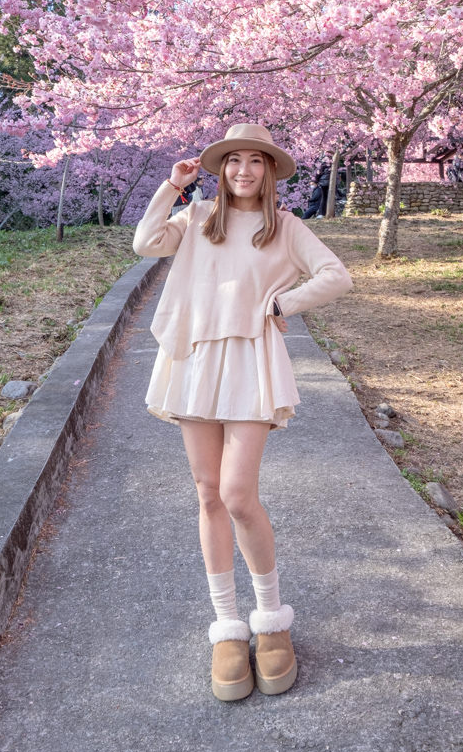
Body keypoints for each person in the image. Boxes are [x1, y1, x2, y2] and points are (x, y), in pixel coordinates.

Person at [133, 122, 353, 703]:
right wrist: (172, 187)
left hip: (252, 362)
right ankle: (227, 629)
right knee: (207, 492)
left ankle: (271, 616)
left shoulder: (286, 228)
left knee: (237, 493)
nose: (244, 171)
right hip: (195, 361)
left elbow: (337, 274)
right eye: (234, 161)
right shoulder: (198, 216)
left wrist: (284, 302)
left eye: (257, 161)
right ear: (221, 169)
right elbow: (145, 242)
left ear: (271, 172)